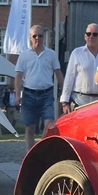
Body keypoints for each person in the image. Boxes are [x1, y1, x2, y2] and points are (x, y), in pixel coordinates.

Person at [15, 25, 64, 153]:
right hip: (29, 93)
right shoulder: (24, 55)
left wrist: (64, 92)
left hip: (46, 93)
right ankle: (29, 154)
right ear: (30, 38)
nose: (37, 38)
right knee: (30, 127)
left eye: (40, 35)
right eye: (35, 36)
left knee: (49, 124)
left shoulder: (51, 54)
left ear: (44, 37)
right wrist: (17, 95)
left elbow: (58, 73)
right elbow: (18, 75)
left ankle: (39, 150)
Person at [61, 23, 98, 112]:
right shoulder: (77, 53)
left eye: (95, 34)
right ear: (85, 36)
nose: (91, 36)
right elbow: (69, 77)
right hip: (79, 101)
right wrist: (65, 102)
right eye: (88, 34)